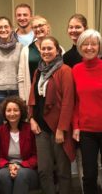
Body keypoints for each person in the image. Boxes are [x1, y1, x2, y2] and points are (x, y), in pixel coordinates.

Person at [72, 29, 102, 194]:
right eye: (85, 44)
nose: (89, 47)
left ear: (99, 47)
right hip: (87, 131)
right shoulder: (76, 70)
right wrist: (76, 125)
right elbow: (76, 102)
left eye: (93, 44)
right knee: (89, 175)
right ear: (80, 46)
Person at [28, 36, 75, 194]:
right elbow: (32, 96)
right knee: (44, 170)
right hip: (41, 127)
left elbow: (68, 101)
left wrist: (62, 128)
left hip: (57, 126)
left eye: (50, 48)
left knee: (62, 170)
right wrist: (31, 119)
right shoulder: (38, 70)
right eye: (43, 49)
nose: (46, 51)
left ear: (58, 51)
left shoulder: (65, 70)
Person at [0, 96, 39, 194]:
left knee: (21, 175)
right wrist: (10, 165)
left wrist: (20, 165)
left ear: (21, 112)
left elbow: (36, 156)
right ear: (4, 113)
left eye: (16, 110)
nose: (12, 113)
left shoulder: (30, 130)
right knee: (2, 175)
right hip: (7, 167)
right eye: (8, 110)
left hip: (28, 169)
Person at [18, 16, 64, 103]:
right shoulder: (26, 50)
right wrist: (23, 99)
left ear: (47, 27)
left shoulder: (59, 49)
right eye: (35, 27)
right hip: (33, 94)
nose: (38, 29)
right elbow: (21, 77)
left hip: (53, 94)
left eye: (40, 25)